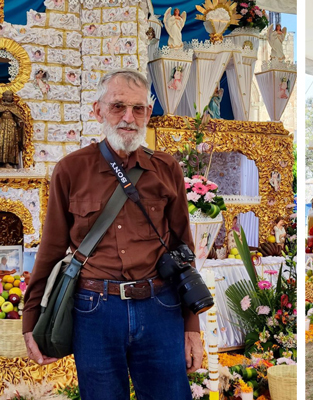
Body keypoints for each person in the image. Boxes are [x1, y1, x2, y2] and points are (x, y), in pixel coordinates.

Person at [22, 69, 202, 400]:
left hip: (160, 307)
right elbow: (49, 251)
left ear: (149, 113)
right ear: (98, 110)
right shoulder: (71, 170)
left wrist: (192, 328)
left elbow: (184, 252)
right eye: (118, 106)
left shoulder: (167, 169)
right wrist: (30, 321)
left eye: (138, 108)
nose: (129, 118)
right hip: (94, 311)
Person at [0, 90, 25, 168]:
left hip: (11, 128)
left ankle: (9, 162)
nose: (9, 97)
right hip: (1, 127)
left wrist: (20, 122)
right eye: (7, 95)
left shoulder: (14, 107)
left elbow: (18, 118)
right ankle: (1, 162)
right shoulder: (1, 107)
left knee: (10, 144)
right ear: (3, 97)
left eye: (10, 95)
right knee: (1, 143)